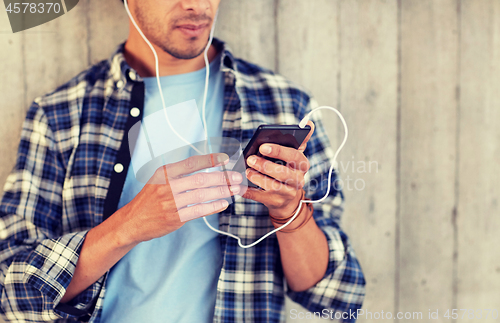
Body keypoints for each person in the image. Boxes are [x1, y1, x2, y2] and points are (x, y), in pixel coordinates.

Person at [0, 0, 365, 322]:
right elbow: (12, 295)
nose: (197, 5)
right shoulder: (61, 115)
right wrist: (127, 226)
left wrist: (291, 215)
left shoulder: (285, 103)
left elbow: (337, 300)